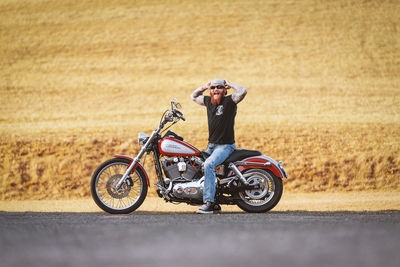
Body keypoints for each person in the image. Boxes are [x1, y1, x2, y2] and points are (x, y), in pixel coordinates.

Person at [191, 79, 247, 214]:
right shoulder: (208, 102)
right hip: (211, 146)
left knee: (209, 164)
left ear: (225, 90)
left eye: (219, 87)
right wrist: (204, 86)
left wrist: (231, 84)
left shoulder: (230, 101)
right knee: (196, 164)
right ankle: (215, 201)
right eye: (213, 88)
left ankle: (209, 203)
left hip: (225, 146)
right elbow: (193, 96)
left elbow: (243, 91)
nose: (215, 90)